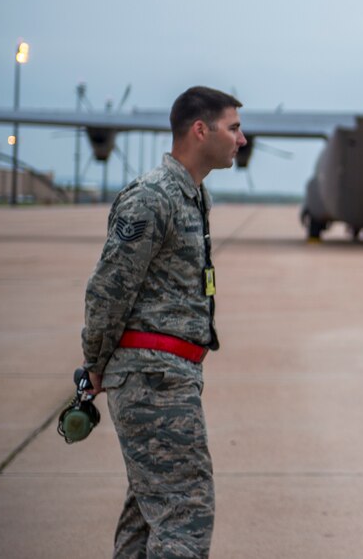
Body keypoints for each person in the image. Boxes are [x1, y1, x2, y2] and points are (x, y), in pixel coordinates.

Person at [81, 86, 247, 558]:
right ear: (201, 130)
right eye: (233, 128)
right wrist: (94, 364)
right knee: (185, 514)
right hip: (155, 379)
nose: (242, 139)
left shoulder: (193, 197)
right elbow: (108, 289)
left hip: (172, 376)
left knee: (147, 516)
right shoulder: (151, 197)